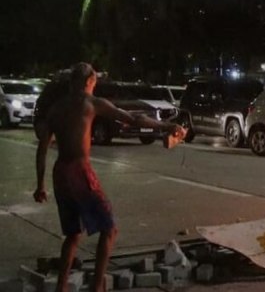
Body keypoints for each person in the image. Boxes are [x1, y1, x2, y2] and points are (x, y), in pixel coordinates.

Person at [33, 63, 187, 292]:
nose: (95, 88)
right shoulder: (90, 103)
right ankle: (97, 287)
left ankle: (61, 288)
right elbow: (132, 119)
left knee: (73, 235)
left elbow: (42, 148)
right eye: (94, 83)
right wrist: (166, 125)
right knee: (109, 228)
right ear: (88, 82)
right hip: (79, 171)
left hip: (60, 173)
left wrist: (40, 185)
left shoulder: (56, 108)